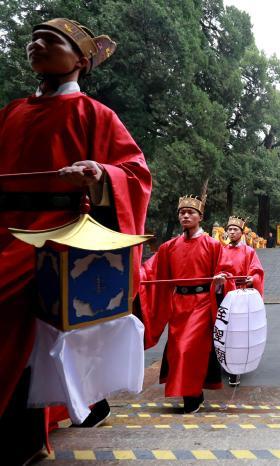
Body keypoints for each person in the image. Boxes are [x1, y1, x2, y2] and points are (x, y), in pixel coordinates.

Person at [0, 18, 151, 463]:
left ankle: (20, 438)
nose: (36, 45)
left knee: (22, 339)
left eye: (51, 40)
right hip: (4, 233)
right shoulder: (10, 112)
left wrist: (101, 173)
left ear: (81, 60)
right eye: (32, 39)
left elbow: (136, 172)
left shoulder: (95, 115)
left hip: (52, 243)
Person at [139, 196, 228, 414]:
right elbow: (151, 271)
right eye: (182, 213)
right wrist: (133, 274)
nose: (186, 216)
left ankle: (193, 394)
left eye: (191, 212)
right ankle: (192, 393)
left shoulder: (213, 245)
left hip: (201, 303)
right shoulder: (169, 247)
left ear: (200, 217)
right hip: (178, 304)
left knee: (189, 348)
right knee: (178, 350)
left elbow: (224, 270)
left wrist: (220, 281)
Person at [219, 216, 265, 387]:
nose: (231, 232)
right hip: (224, 294)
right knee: (224, 329)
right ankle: (224, 362)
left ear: (241, 232)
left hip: (241, 294)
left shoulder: (249, 251)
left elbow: (257, 271)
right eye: (229, 229)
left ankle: (235, 370)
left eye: (235, 230)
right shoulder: (221, 250)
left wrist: (252, 279)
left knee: (238, 332)